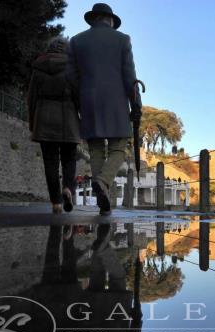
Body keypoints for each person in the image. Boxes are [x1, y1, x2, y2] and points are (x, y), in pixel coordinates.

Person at [67, 3, 142, 216]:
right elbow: (130, 76)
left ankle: (104, 200)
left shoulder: (76, 41)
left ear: (93, 19)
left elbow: (71, 77)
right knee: (119, 146)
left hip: (88, 99)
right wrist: (136, 104)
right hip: (116, 100)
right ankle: (102, 181)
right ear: (110, 20)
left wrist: (80, 99)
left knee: (96, 148)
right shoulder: (122, 39)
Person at [28, 37, 81, 214]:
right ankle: (68, 189)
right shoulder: (72, 69)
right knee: (69, 159)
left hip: (44, 119)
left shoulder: (38, 68)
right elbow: (78, 96)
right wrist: (82, 119)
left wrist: (32, 123)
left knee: (50, 162)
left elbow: (31, 99)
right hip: (69, 119)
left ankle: (56, 203)